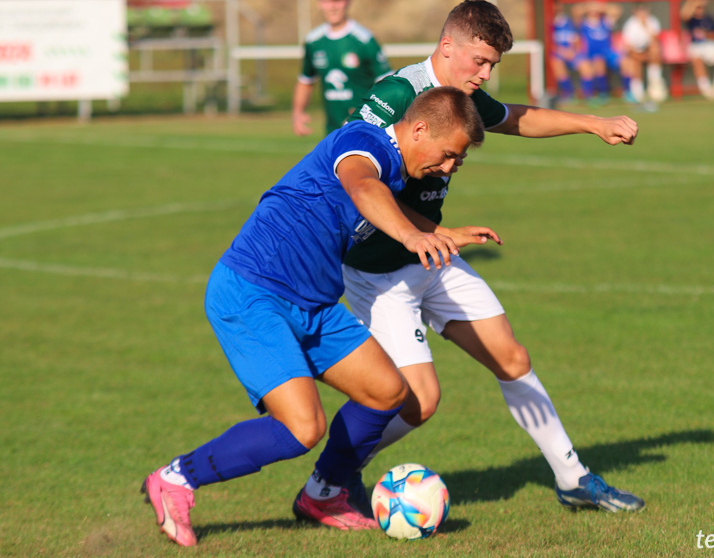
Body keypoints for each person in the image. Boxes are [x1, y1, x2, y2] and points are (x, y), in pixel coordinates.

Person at [298, 0, 644, 523]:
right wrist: (427, 232)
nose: (485, 74)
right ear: (447, 47)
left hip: (434, 254)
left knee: (512, 357)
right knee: (417, 402)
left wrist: (592, 123)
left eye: (492, 66)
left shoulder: (463, 96)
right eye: (478, 62)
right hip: (378, 272)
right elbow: (355, 173)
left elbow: (516, 118)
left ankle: (572, 478)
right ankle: (328, 480)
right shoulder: (397, 95)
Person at [140, 87, 489, 546]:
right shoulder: (362, 141)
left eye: (456, 162)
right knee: (301, 427)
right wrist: (411, 237)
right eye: (447, 156)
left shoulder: (397, 174)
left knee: (387, 393)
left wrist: (441, 231)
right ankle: (176, 479)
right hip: (253, 292)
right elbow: (363, 185)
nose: (447, 168)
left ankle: (323, 495)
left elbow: (384, 199)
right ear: (419, 128)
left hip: (314, 304)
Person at [292, 0, 392, 136]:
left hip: (365, 129)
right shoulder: (314, 41)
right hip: (332, 132)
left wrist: (367, 110)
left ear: (348, 1)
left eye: (338, 0)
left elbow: (387, 84)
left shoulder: (364, 40)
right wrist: (298, 113)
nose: (332, 7)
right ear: (319, 3)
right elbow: (306, 80)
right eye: (327, 1)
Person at [574, 0, 626, 105]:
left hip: (607, 53)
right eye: (592, 10)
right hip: (589, 54)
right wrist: (588, 6)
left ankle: (628, 92)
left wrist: (601, 7)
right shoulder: (583, 23)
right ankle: (593, 95)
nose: (594, 12)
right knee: (592, 65)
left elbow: (617, 10)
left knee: (627, 62)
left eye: (596, 10)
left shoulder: (605, 21)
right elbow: (576, 11)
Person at [620, 2, 668, 103]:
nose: (643, 13)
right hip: (635, 52)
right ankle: (638, 92)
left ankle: (655, 86)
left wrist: (645, 25)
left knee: (655, 49)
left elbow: (655, 39)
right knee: (634, 62)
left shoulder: (652, 21)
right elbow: (629, 47)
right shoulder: (630, 24)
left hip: (648, 51)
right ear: (635, 12)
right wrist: (640, 56)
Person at [550, 2, 594, 104]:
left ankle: (588, 95)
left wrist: (574, 52)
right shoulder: (549, 23)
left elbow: (577, 40)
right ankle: (568, 94)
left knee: (586, 65)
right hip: (558, 53)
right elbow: (549, 43)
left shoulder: (569, 21)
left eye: (558, 4)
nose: (557, 6)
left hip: (573, 53)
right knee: (556, 63)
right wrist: (561, 51)